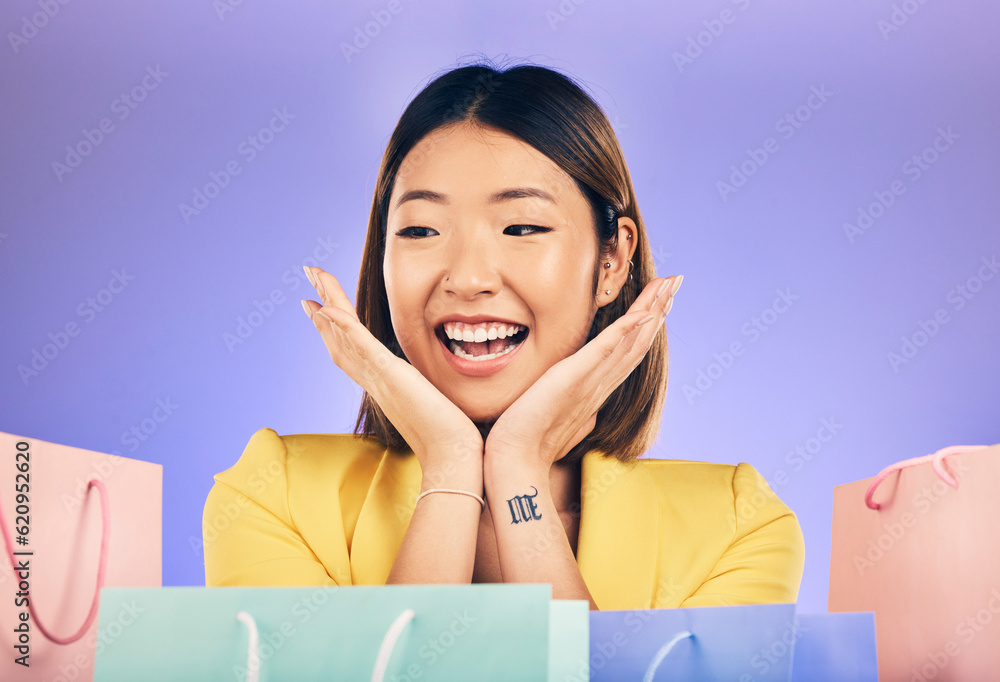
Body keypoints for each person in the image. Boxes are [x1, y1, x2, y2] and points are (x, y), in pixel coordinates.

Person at [203, 60, 805, 610]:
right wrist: (449, 470)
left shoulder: (736, 524)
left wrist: (518, 473)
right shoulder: (272, 495)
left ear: (612, 261)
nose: (466, 279)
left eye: (520, 226)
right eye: (420, 231)